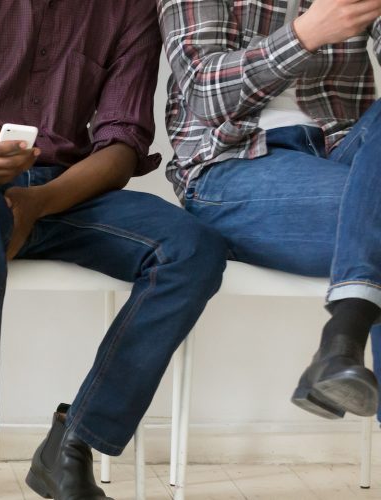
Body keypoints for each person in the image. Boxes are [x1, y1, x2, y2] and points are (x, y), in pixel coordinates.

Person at [0, 0, 229, 497]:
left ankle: (72, 443)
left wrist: (37, 203)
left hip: (64, 192)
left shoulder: (126, 10)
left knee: (192, 248)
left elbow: (122, 144)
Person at [162, 0, 381, 422]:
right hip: (230, 167)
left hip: (347, 156)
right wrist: (308, 33)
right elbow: (206, 94)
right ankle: (344, 333)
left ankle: (341, 340)